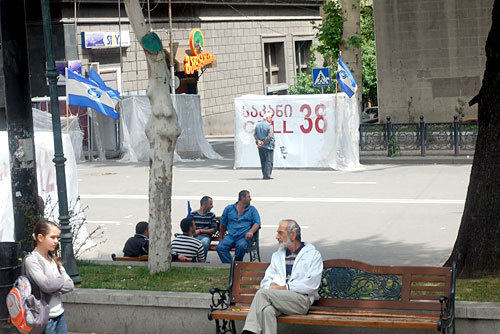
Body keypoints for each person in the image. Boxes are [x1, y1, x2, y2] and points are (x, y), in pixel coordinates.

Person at [242, 219, 323, 334]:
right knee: (267, 310)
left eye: (280, 233)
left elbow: (312, 284)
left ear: (293, 235)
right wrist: (273, 287)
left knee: (261, 293)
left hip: (300, 301)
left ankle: (248, 331)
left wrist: (285, 288)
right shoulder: (277, 256)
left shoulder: (312, 255)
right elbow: (265, 281)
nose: (277, 236)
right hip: (278, 299)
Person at [24, 220, 75, 334]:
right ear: (40, 237)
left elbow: (70, 285)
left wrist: (53, 284)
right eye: (52, 237)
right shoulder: (32, 260)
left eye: (57, 237)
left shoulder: (53, 258)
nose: (56, 241)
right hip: (44, 318)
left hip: (59, 313)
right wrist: (61, 277)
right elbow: (47, 286)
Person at [216, 190, 261, 263]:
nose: (250, 199)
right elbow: (222, 224)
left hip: (243, 237)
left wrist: (251, 232)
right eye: (248, 197)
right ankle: (232, 266)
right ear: (242, 198)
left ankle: (237, 264)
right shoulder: (229, 208)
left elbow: (257, 223)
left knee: (241, 246)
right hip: (231, 236)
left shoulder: (252, 210)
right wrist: (221, 237)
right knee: (220, 247)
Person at [192, 196, 218, 260]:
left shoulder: (211, 215)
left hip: (205, 236)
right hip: (194, 236)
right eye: (210, 204)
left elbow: (214, 230)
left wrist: (201, 231)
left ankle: (202, 261)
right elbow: (189, 227)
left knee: (204, 242)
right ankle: (192, 261)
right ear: (204, 204)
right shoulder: (193, 214)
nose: (212, 206)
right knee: (192, 242)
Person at [254, 111, 275, 180]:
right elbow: (270, 136)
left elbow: (255, 134)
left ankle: (264, 173)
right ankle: (267, 175)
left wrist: (258, 141)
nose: (271, 119)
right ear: (267, 118)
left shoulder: (257, 125)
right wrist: (264, 142)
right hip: (268, 146)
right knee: (269, 161)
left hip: (260, 146)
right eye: (270, 117)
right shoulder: (269, 125)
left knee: (263, 161)